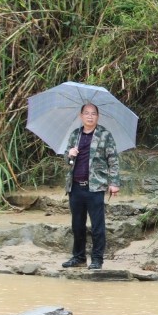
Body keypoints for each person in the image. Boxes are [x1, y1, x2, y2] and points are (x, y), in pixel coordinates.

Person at [62, 103, 120, 270]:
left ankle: (97, 259)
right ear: (81, 116)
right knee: (77, 225)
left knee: (97, 226)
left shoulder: (104, 135)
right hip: (75, 187)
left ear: (97, 116)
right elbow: (67, 161)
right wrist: (69, 155)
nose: (89, 116)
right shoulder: (75, 135)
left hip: (95, 187)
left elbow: (113, 160)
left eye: (93, 113)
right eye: (86, 113)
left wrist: (114, 183)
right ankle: (78, 257)